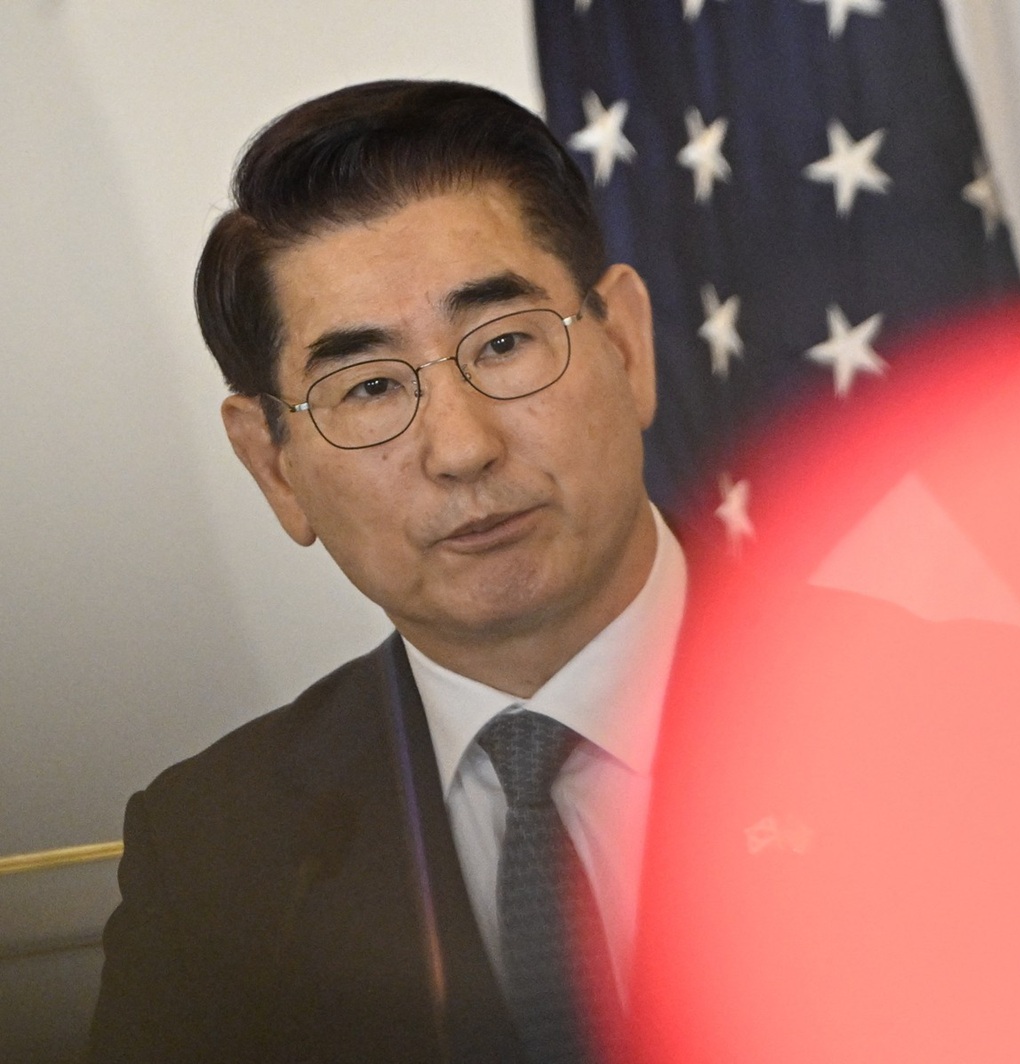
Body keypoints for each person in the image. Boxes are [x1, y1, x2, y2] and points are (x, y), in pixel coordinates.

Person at [89, 79, 679, 1063]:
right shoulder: (210, 854)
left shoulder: (972, 713)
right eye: (365, 386)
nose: (461, 447)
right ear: (275, 466)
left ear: (623, 345)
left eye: (502, 343)